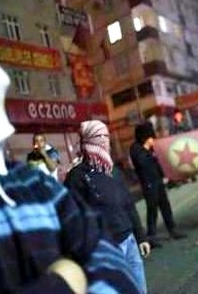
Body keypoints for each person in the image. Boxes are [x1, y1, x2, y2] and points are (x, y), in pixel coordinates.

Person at [0, 0, 139, 293]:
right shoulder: (58, 174)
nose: (3, 80)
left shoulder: (29, 184)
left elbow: (108, 259)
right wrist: (67, 280)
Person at [65, 120, 151, 294]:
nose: (104, 142)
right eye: (99, 137)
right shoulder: (77, 177)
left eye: (106, 136)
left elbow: (128, 204)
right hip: (106, 247)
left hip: (129, 241)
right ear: (88, 141)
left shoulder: (113, 171)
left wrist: (141, 236)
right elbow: (74, 219)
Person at [130, 121, 187, 244]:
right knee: (152, 208)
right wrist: (149, 150)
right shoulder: (136, 148)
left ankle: (172, 229)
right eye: (150, 137)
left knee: (165, 205)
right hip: (148, 183)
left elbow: (157, 162)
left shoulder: (150, 148)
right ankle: (151, 235)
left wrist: (164, 175)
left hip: (157, 180)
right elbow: (142, 162)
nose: (152, 139)